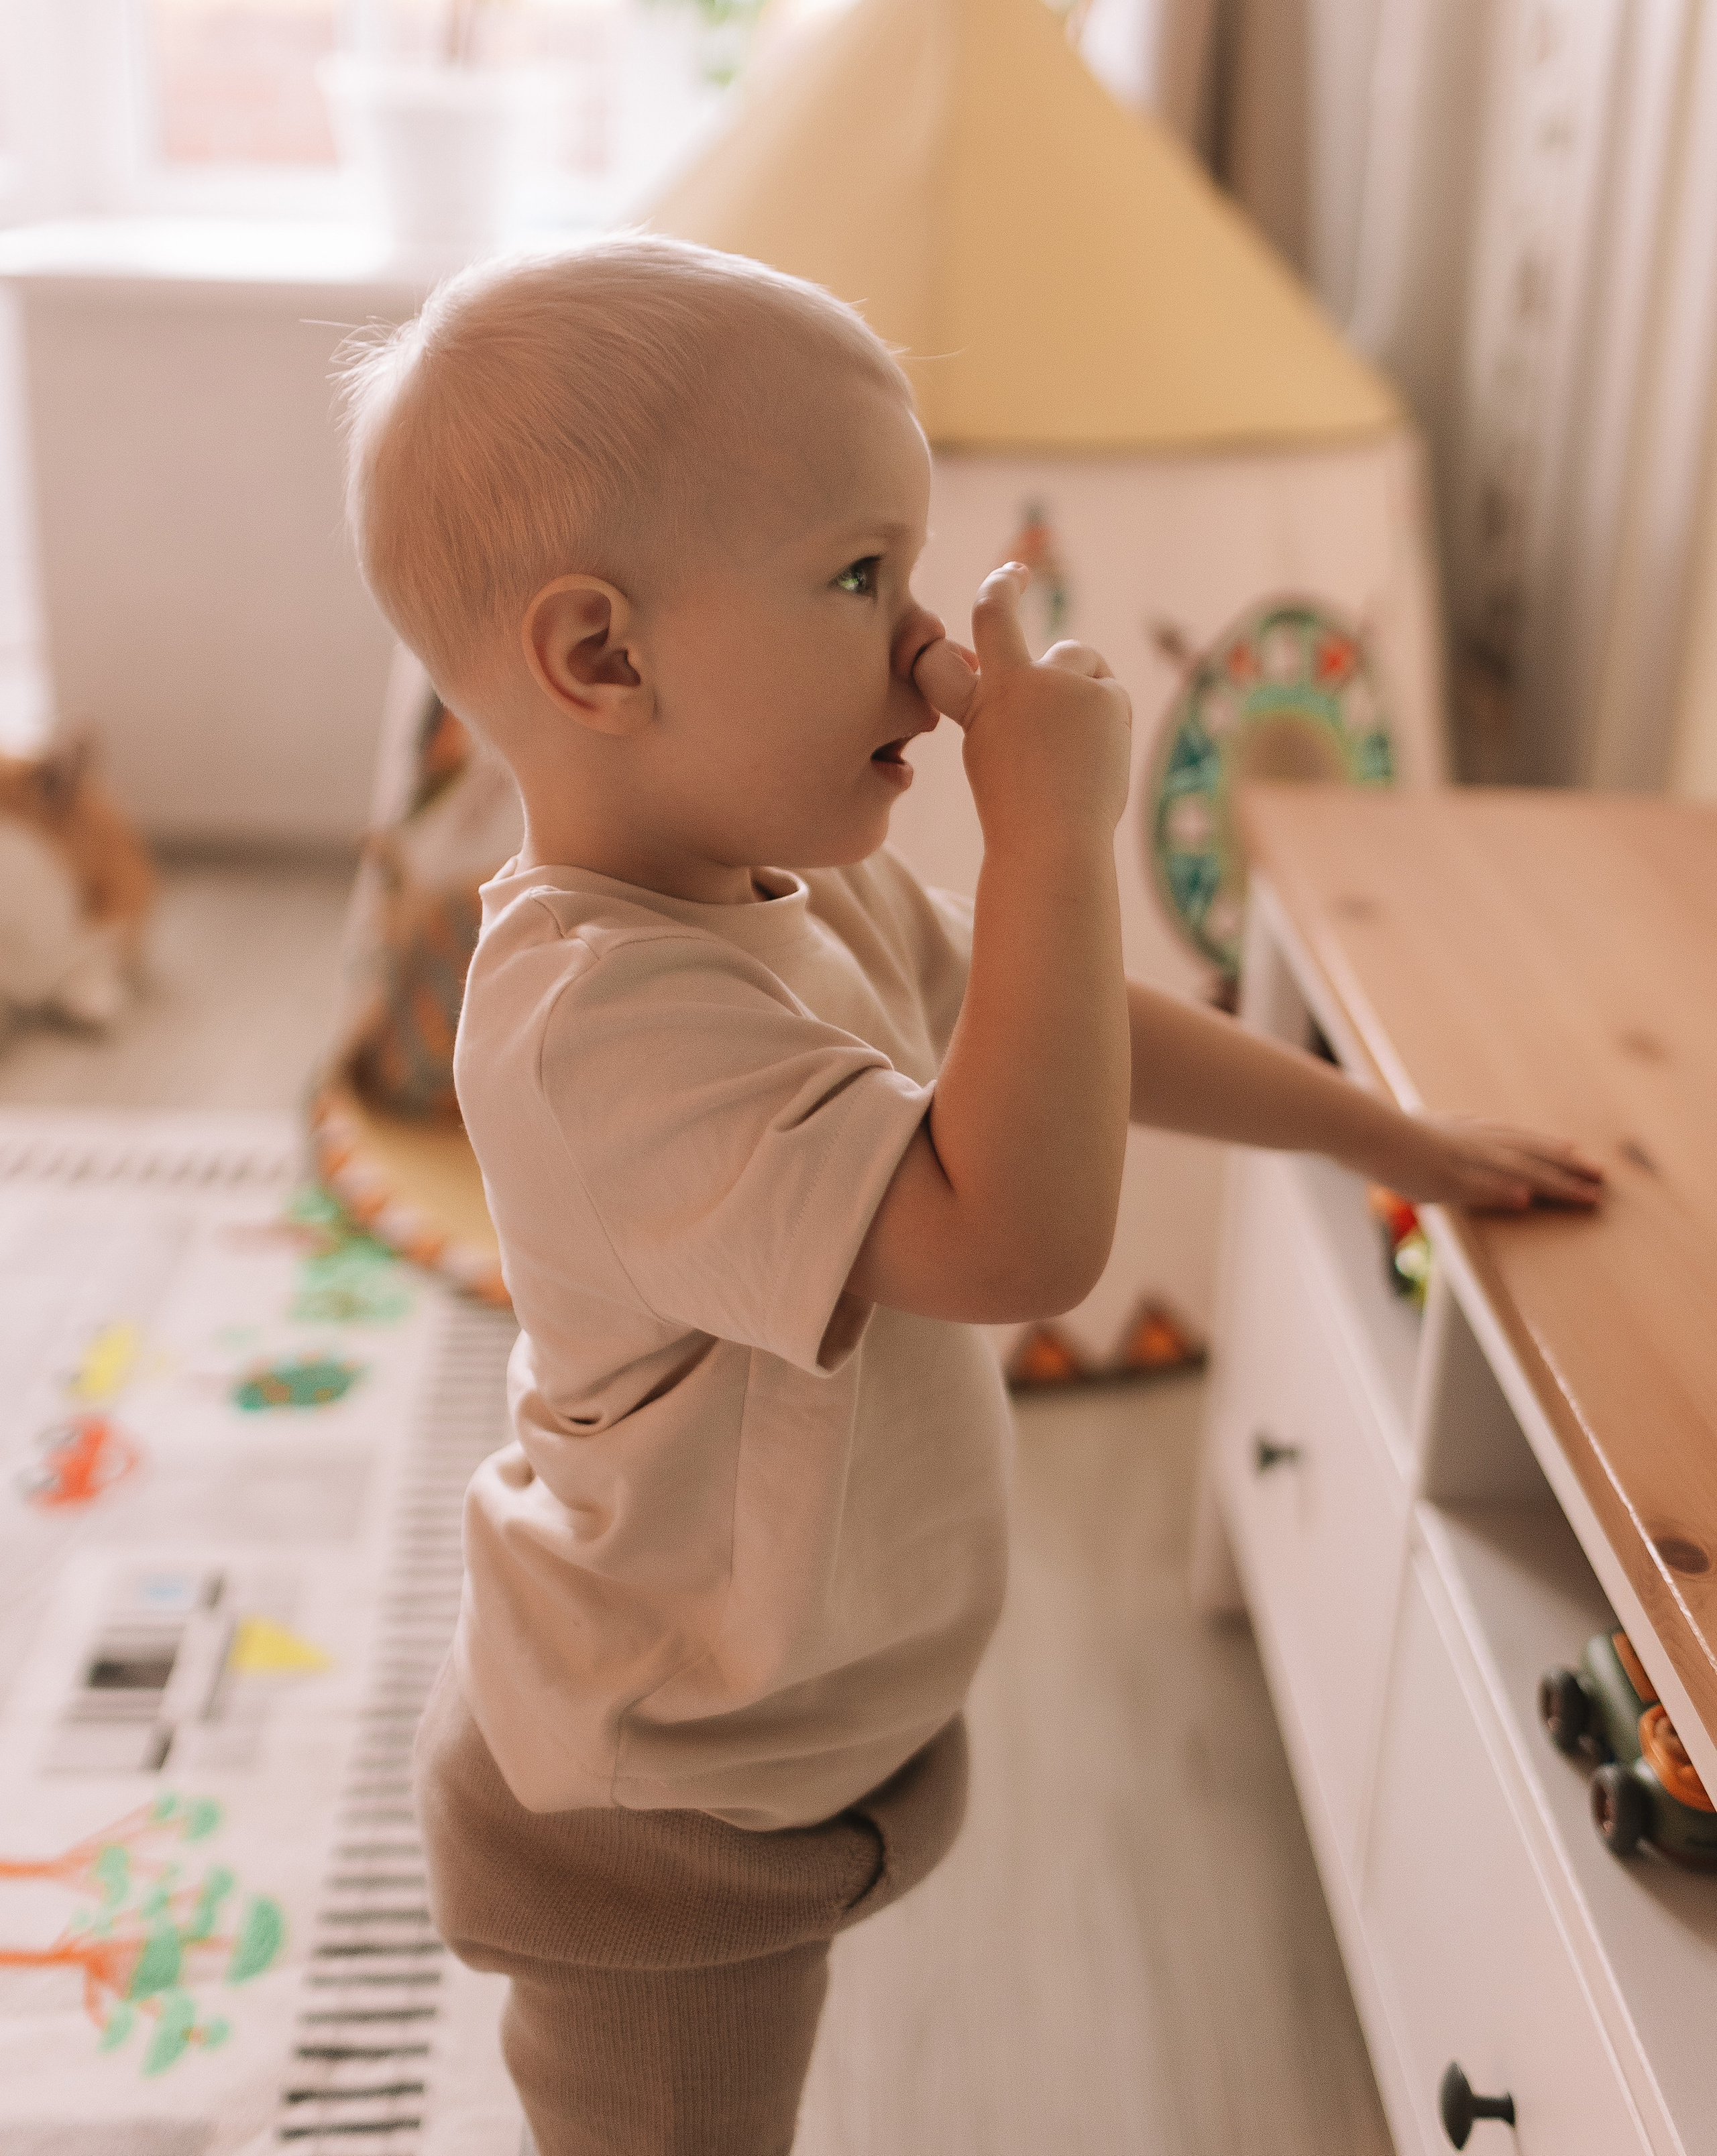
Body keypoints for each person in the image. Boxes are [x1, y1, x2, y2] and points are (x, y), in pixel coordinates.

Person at [341, 236, 1601, 2156]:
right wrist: (1057, 835)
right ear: (604, 658)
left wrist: (1387, 1135)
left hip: (772, 1732)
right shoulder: (606, 1026)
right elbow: (1014, 1235)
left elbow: (1059, 1034)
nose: (935, 654)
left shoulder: (789, 880)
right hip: (661, 1808)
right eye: (862, 579)